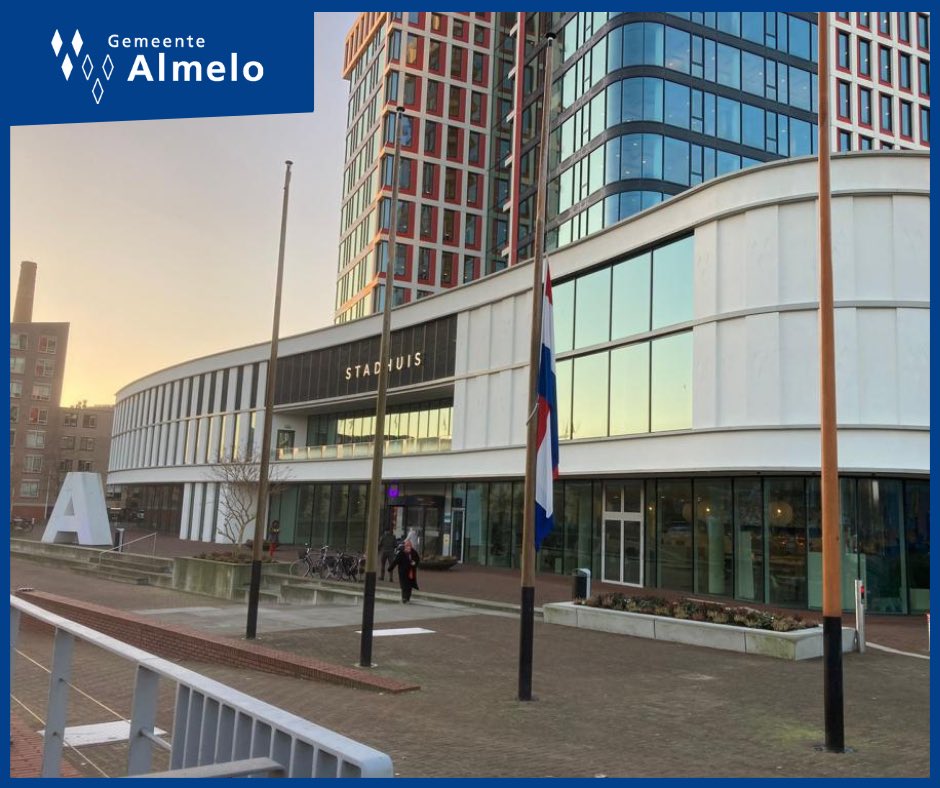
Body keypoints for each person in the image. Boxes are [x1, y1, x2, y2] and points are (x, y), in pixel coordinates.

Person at [388, 539, 420, 603]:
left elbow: (417, 560)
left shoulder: (414, 552)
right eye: (407, 545)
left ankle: (407, 597)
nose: (408, 547)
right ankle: (404, 598)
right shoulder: (402, 553)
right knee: (404, 585)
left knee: (409, 585)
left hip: (411, 572)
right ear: (405, 546)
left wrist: (415, 563)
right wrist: (390, 568)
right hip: (403, 572)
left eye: (409, 545)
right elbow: (396, 561)